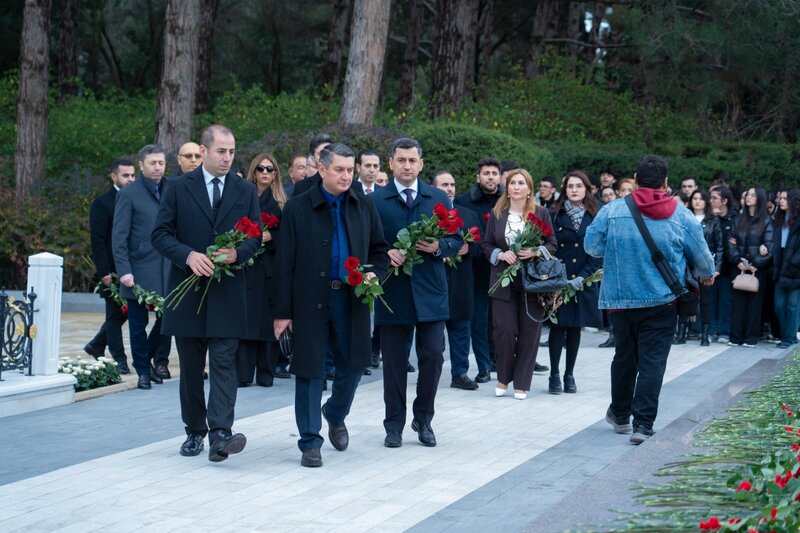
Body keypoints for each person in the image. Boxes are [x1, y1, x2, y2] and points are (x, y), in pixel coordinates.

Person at [585, 154, 714, 444]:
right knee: (653, 362)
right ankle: (643, 425)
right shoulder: (681, 215)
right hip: (662, 301)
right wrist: (706, 273)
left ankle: (619, 415)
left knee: (624, 357)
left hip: (620, 300)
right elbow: (704, 262)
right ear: (666, 182)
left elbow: (591, 246)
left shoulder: (612, 210)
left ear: (635, 177)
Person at [273, 143, 389, 467]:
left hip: (351, 299)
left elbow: (380, 252)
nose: (345, 175)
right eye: (339, 169)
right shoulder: (297, 208)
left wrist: (372, 277)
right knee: (309, 369)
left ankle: (335, 413)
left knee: (353, 365)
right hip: (309, 300)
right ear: (321, 169)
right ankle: (310, 441)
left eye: (349, 170)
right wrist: (282, 313)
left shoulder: (363, 206)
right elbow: (284, 263)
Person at [152, 124, 261, 462]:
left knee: (225, 364)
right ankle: (194, 431)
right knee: (192, 368)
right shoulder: (177, 187)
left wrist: (237, 254)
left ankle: (221, 434)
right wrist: (187, 255)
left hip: (228, 293)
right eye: (221, 151)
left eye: (231, 152)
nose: (228, 158)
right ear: (204, 150)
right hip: (188, 296)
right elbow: (160, 234)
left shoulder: (245, 190)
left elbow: (254, 236)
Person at [371, 137, 463, 448]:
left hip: (430, 292)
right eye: (401, 160)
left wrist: (439, 247)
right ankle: (393, 424)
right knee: (394, 363)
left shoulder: (437, 197)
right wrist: (385, 256)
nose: (407, 165)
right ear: (391, 163)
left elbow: (457, 240)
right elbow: (367, 245)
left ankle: (423, 419)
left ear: (421, 164)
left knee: (434, 357)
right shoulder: (376, 201)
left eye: (412, 160)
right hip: (393, 292)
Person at [484, 168, 557, 400]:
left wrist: (536, 251)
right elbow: (485, 244)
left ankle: (522, 382)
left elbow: (553, 243)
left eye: (521, 183)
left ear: (529, 189)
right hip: (502, 280)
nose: (516, 187)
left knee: (530, 332)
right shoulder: (497, 213)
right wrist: (499, 254)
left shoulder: (541, 212)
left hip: (532, 280)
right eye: (512, 182)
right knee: (504, 330)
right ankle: (504, 377)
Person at [112, 144, 171, 390]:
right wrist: (124, 270)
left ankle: (146, 359)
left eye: (161, 163)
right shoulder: (128, 194)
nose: (157, 167)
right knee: (137, 325)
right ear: (142, 165)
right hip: (137, 269)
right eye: (153, 163)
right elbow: (119, 236)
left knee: (167, 321)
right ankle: (143, 372)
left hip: (168, 268)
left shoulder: (173, 189)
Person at [547, 171, 603, 394]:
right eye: (570, 186)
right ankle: (554, 374)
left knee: (575, 329)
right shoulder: (555, 214)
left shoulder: (595, 215)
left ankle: (569, 374)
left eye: (579, 186)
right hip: (559, 279)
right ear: (565, 189)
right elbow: (550, 245)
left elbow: (598, 250)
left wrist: (585, 275)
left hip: (583, 279)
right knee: (557, 327)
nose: (574, 190)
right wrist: (559, 276)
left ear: (586, 189)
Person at [236, 153, 286, 387]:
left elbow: (289, 237)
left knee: (268, 321)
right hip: (246, 266)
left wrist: (271, 236)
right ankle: (243, 374)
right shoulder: (243, 196)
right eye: (261, 169)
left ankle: (266, 373)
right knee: (245, 319)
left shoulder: (282, 202)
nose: (265, 172)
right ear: (253, 172)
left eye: (270, 169)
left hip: (270, 269)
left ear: (276, 173)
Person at [432, 169, 481, 391]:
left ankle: (460, 373)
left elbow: (482, 245)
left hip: (461, 281)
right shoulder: (427, 214)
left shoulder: (468, 214)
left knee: (461, 329)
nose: (450, 189)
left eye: (452, 184)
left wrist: (468, 247)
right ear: (434, 188)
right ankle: (430, 371)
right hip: (434, 281)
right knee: (432, 333)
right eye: (444, 185)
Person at [84, 158, 135, 372]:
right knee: (115, 315)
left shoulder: (137, 198)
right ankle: (119, 360)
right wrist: (104, 271)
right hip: (112, 270)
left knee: (124, 313)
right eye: (126, 175)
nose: (131, 179)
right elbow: (97, 240)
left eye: (133, 175)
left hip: (135, 267)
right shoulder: (102, 203)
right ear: (114, 176)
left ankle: (96, 345)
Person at [727, 187, 774, 347]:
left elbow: (769, 247)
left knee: (754, 304)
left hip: (757, 270)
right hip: (738, 266)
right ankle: (736, 337)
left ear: (760, 199)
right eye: (747, 194)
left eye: (753, 195)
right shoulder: (738, 219)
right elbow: (730, 242)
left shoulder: (767, 221)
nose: (748, 197)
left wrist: (756, 264)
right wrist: (737, 260)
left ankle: (750, 338)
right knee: (738, 303)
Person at [686, 189, 723, 346]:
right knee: (686, 299)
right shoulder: (685, 218)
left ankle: (705, 335)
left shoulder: (713, 220)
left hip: (706, 266)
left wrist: (717, 268)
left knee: (706, 301)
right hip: (687, 266)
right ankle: (682, 333)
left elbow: (720, 246)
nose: (697, 201)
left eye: (701, 198)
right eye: (695, 198)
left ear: (706, 202)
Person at [709, 186, 738, 343]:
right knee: (711, 299)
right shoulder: (711, 218)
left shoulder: (735, 218)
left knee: (726, 301)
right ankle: (711, 329)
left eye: (715, 198)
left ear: (724, 200)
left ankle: (724, 331)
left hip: (729, 267)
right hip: (711, 266)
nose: (711, 200)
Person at [773, 188, 800, 348]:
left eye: (784, 198)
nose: (781, 201)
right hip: (781, 264)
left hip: (795, 268)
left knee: (792, 306)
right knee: (779, 305)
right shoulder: (779, 219)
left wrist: (793, 263)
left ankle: (789, 338)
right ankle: (789, 335)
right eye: (780, 198)